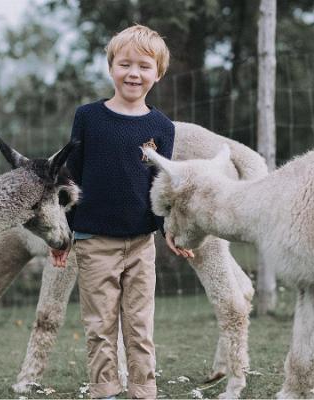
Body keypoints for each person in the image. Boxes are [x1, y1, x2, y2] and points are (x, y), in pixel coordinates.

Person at [62, 24, 193, 399]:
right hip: (93, 241)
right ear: (111, 68)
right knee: (100, 324)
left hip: (140, 243)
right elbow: (72, 176)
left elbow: (160, 185)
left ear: (158, 73)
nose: (133, 73)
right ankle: (104, 389)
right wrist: (65, 232)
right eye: (125, 64)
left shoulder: (161, 127)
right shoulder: (88, 117)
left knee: (139, 323)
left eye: (143, 66)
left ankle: (143, 390)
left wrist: (169, 228)